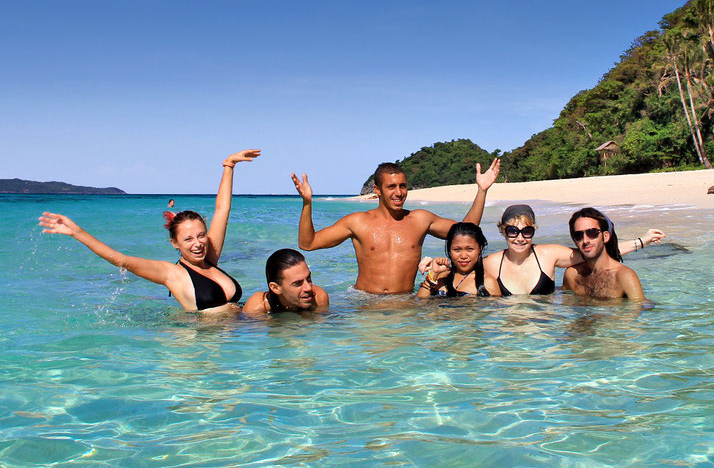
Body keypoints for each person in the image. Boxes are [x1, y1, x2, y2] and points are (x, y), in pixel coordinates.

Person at [38, 149, 261, 312]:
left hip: (236, 343)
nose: (198, 243)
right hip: (204, 348)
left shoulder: (210, 257)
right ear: (175, 243)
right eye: (188, 239)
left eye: (201, 235)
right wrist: (77, 233)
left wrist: (229, 166)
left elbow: (222, 210)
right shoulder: (171, 274)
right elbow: (121, 259)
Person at [291, 160, 501, 294]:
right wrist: (308, 203)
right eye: (391, 187)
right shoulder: (357, 222)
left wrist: (482, 191)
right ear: (377, 190)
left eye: (402, 186)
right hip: (366, 303)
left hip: (405, 303)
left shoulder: (420, 219)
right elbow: (308, 243)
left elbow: (466, 233)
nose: (399, 192)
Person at [483, 204, 664, 296]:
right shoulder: (490, 264)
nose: (520, 238)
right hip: (507, 338)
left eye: (527, 231)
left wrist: (641, 241)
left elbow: (593, 251)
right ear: (503, 232)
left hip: (545, 335)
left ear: (534, 231)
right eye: (513, 231)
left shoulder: (549, 254)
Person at [561, 207, 645, 302]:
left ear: (605, 237)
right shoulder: (572, 275)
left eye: (592, 233)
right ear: (575, 240)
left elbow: (639, 309)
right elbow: (566, 308)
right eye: (578, 235)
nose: (585, 240)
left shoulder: (624, 276)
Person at [416, 222, 500, 297]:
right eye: (457, 249)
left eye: (470, 249)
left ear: (480, 249)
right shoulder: (440, 277)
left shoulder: (488, 283)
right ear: (449, 250)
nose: (463, 256)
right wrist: (434, 274)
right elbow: (420, 304)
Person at [242, 249, 329, 316]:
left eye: (308, 279)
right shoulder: (257, 307)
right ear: (276, 288)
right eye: (298, 283)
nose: (309, 288)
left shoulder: (318, 298)